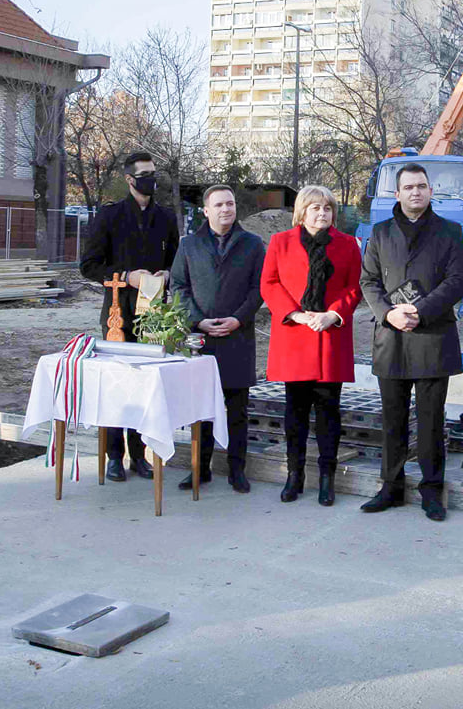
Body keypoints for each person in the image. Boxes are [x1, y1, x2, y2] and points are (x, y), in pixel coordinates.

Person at [359, 162, 463, 522]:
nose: (416, 192)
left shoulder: (450, 232)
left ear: (431, 191)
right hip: (391, 338)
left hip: (432, 337)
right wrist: (388, 313)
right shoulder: (379, 233)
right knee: (392, 420)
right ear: (397, 193)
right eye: (408, 187)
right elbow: (369, 282)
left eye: (421, 186)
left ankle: (431, 491)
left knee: (430, 422)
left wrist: (420, 311)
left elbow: (457, 282)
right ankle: (390, 488)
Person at [79, 150, 178, 482]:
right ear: (129, 179)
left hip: (153, 314)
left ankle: (139, 455)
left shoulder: (165, 218)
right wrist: (124, 276)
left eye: (155, 173)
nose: (152, 179)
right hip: (118, 314)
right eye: (145, 174)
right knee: (116, 386)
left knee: (145, 386)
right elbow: (89, 265)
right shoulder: (109, 217)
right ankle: (113, 456)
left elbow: (177, 262)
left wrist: (166, 274)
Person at [260, 185, 362, 506]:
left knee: (329, 412)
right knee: (296, 413)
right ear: (302, 212)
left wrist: (334, 314)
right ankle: (295, 475)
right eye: (315, 208)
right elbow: (269, 283)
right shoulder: (281, 242)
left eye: (328, 208)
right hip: (295, 335)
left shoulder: (347, 245)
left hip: (331, 337)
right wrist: (296, 314)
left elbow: (355, 286)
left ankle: (327, 479)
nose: (322, 213)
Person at [169, 185, 265, 494]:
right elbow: (179, 287)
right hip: (201, 341)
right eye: (219, 204)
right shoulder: (189, 245)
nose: (226, 209)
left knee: (237, 409)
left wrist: (238, 318)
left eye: (231, 204)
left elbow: (259, 289)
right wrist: (198, 320)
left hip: (238, 338)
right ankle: (200, 468)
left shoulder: (253, 244)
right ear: (206, 210)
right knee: (201, 409)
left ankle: (237, 470)